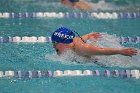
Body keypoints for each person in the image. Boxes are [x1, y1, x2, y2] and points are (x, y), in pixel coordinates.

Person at [51, 27, 138, 58]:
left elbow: (101, 50)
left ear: (63, 43)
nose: (53, 47)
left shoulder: (82, 48)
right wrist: (89, 35)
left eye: (54, 43)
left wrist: (120, 51)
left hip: (105, 59)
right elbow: (83, 37)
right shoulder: (73, 41)